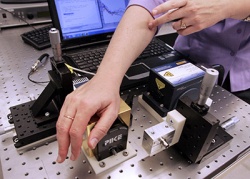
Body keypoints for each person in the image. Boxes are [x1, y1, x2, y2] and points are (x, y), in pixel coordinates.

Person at [56, 0, 250, 163]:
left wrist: (229, 7)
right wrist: (105, 78)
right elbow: (149, 5)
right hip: (187, 61)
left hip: (244, 75)